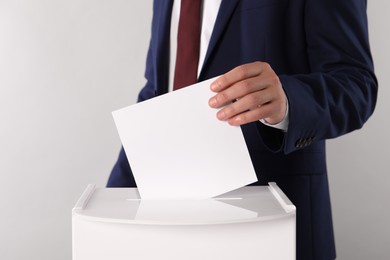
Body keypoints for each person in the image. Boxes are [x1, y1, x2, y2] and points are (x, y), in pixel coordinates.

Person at [107, 1, 377, 259]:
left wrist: (287, 102)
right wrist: (112, 201)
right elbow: (159, 91)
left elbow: (356, 85)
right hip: (168, 229)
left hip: (272, 230)